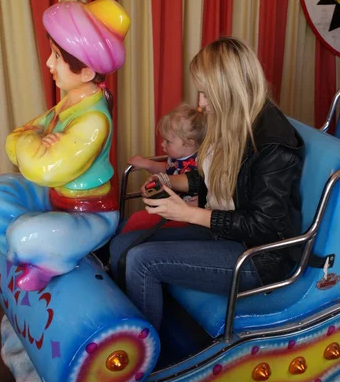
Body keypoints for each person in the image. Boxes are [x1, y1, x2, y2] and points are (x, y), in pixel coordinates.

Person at [110, 36, 304, 331]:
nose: (201, 104)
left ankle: (144, 358)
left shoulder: (274, 143)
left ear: (229, 90)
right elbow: (209, 177)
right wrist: (169, 182)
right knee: (121, 245)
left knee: (141, 260)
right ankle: (123, 330)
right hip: (221, 233)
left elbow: (264, 226)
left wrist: (189, 214)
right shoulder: (232, 120)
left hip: (256, 255)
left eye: (206, 94)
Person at [0, 0, 130, 291]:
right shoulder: (71, 101)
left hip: (90, 215)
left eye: (57, 56)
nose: (49, 63)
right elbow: (18, 138)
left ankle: (35, 252)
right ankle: (13, 242)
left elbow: (43, 168)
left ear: (86, 72)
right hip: (56, 197)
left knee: (25, 236)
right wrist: (34, 141)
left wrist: (32, 143)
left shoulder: (93, 121)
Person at [122, 103, 205, 232]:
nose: (162, 144)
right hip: (170, 209)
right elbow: (167, 168)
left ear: (189, 143)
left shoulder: (200, 164)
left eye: (168, 141)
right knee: (130, 221)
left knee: (136, 221)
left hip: (185, 218)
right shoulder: (178, 158)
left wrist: (202, 202)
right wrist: (147, 163)